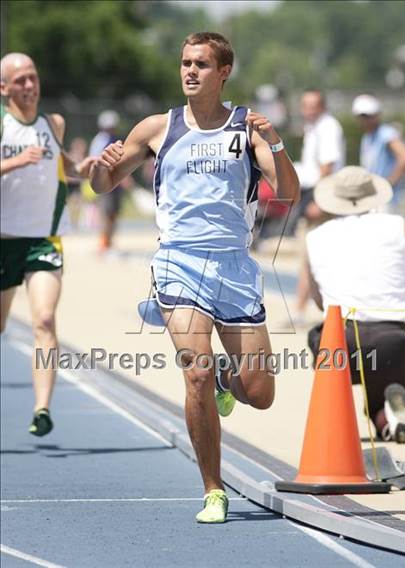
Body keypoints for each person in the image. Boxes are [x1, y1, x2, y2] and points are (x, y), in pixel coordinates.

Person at [91, 32, 300, 522]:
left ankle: (232, 377)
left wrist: (276, 142)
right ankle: (213, 489)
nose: (189, 71)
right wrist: (100, 170)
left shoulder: (245, 127)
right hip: (178, 262)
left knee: (260, 394)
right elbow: (103, 185)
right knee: (197, 372)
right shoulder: (156, 128)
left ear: (223, 71)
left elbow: (288, 191)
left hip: (234, 266)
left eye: (201, 64)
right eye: (185, 62)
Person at [0, 53, 95, 436]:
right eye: (20, 80)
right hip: (4, 239)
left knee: (44, 319)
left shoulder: (52, 124)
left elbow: (64, 166)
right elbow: (23, 161)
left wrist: (83, 167)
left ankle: (42, 409)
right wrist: (14, 162)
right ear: (4, 88)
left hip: (43, 238)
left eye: (32, 78)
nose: (29, 85)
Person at [305, 166, 405, 443]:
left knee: (318, 339)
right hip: (394, 339)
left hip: (342, 342)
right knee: (390, 372)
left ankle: (345, 418)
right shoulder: (398, 226)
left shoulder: (315, 237)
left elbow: (320, 302)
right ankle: (392, 413)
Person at [289, 89, 345, 326]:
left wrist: (318, 201)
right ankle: (303, 309)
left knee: (315, 255)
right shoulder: (314, 128)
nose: (308, 109)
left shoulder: (327, 127)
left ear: (322, 106)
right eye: (305, 105)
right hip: (314, 193)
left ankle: (317, 309)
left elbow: (327, 166)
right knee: (309, 256)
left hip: (322, 195)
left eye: (313, 105)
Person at [352, 94, 405, 209]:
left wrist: (388, 184)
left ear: (377, 115)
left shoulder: (386, 133)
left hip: (386, 201)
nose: (365, 120)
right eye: (362, 116)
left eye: (368, 116)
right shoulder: (368, 137)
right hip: (373, 199)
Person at [89, 110, 133, 253]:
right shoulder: (101, 141)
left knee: (113, 214)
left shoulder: (111, 138)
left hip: (116, 183)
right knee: (107, 214)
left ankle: (108, 243)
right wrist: (123, 178)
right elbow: (99, 163)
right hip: (107, 183)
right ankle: (104, 244)